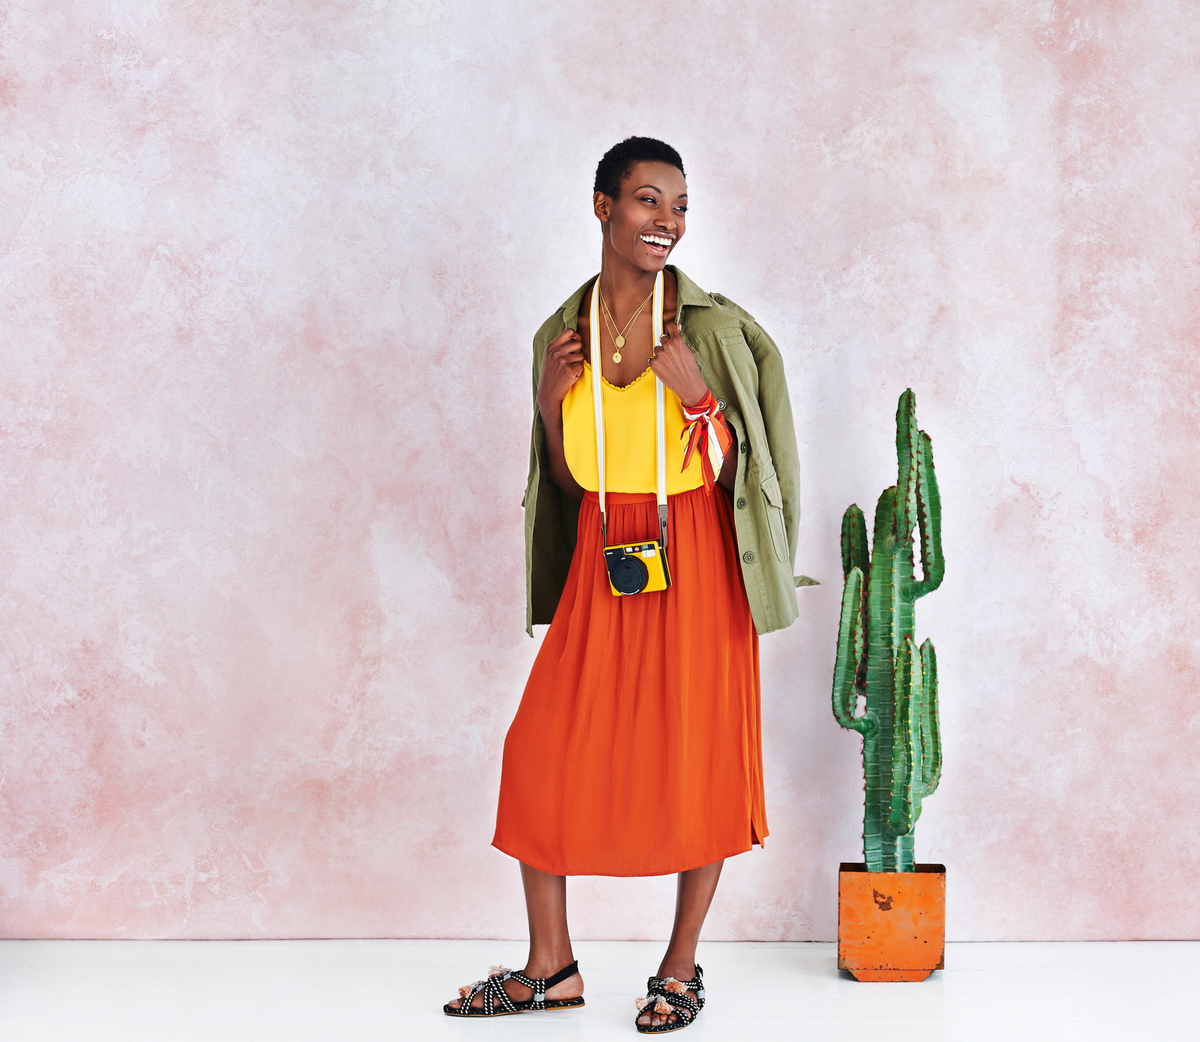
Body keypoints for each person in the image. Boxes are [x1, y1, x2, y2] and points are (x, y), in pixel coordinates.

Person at [445, 137, 802, 1032]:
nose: (668, 223)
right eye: (649, 202)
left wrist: (697, 401)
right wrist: (545, 409)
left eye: (679, 207)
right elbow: (570, 487)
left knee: (702, 759)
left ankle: (679, 969)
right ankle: (550, 967)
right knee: (539, 750)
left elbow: (746, 480)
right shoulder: (560, 336)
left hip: (698, 561)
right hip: (607, 555)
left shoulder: (712, 332)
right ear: (602, 206)